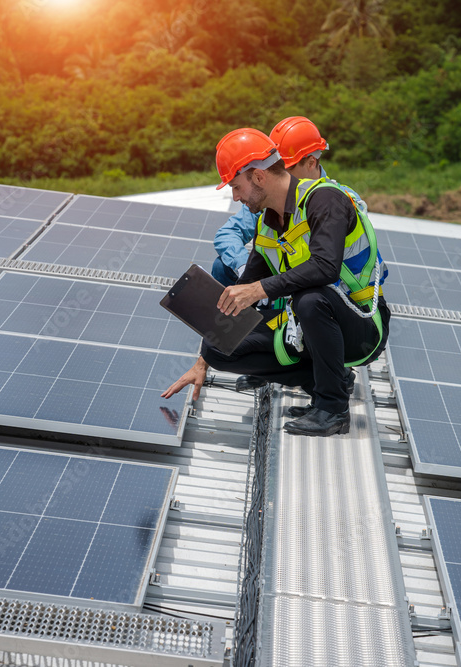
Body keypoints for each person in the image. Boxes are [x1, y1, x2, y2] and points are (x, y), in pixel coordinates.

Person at [162, 127, 390, 437]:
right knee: (218, 348)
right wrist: (204, 357)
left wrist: (259, 289)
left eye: (236, 186)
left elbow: (325, 268)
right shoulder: (268, 225)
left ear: (258, 177)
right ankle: (323, 380)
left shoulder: (325, 199)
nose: (236, 197)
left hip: (360, 326)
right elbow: (245, 290)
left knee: (312, 299)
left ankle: (333, 408)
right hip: (306, 328)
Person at [210, 116, 361, 286]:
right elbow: (228, 233)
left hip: (320, 291)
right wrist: (245, 268)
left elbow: (327, 266)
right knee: (222, 267)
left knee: (309, 302)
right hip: (282, 285)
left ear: (311, 163)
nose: (277, 175)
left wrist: (264, 288)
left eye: (286, 168)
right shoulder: (266, 196)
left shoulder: (342, 200)